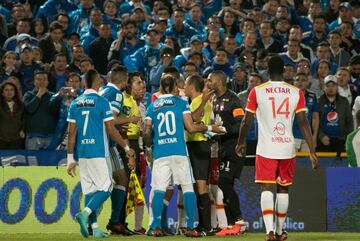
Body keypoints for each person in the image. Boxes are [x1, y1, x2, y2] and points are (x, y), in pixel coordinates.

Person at [236, 55, 319, 241]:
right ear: (284, 71)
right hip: (287, 147)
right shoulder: (296, 92)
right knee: (283, 189)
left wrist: (241, 141)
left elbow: (246, 120)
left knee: (266, 187)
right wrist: (312, 150)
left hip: (266, 147)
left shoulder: (257, 91)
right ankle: (281, 232)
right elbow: (304, 122)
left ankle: (269, 232)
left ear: (267, 71)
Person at [143, 75, 224, 237]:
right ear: (173, 88)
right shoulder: (181, 103)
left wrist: (149, 147)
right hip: (179, 151)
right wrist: (209, 128)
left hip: (161, 153)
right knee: (188, 188)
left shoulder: (152, 106)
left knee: (159, 189)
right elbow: (191, 127)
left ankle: (156, 225)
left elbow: (146, 132)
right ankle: (189, 226)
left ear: (160, 87)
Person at [66, 69, 135, 238]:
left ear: (83, 83)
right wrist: (127, 148)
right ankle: (85, 213)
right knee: (107, 187)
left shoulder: (75, 103)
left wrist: (69, 159)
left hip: (83, 153)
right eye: (100, 79)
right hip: (99, 151)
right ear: (97, 82)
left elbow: (71, 134)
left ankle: (95, 228)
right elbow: (111, 131)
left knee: (90, 190)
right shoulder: (102, 101)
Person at [208, 70, 247, 236]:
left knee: (224, 182)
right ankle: (232, 225)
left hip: (234, 147)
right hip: (222, 148)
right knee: (225, 185)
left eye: (210, 80)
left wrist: (223, 129)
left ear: (218, 81)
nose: (208, 83)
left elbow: (241, 124)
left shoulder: (233, 100)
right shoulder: (214, 100)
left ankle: (239, 221)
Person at [98, 65, 134, 235]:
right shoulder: (116, 94)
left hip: (94, 142)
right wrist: (131, 118)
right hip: (106, 143)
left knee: (101, 184)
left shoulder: (102, 90)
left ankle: (96, 223)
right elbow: (110, 120)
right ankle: (114, 221)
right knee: (120, 180)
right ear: (123, 81)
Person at [184, 74, 214, 235]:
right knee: (199, 186)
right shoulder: (200, 101)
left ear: (191, 86)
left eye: (186, 84)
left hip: (199, 144)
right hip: (198, 145)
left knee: (201, 186)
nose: (184, 88)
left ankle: (206, 226)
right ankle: (203, 225)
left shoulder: (198, 101)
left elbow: (195, 121)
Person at [317, 75, 353, 153]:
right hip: (323, 141)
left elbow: (349, 122)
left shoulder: (344, 102)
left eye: (333, 85)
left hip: (340, 141)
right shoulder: (318, 102)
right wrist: (321, 136)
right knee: (324, 165)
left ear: (337, 87)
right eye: (328, 85)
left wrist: (348, 140)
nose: (331, 88)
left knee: (340, 164)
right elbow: (314, 122)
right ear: (323, 87)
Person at [23, 70, 57, 150]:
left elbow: (56, 113)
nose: (42, 81)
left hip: (50, 136)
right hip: (33, 136)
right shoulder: (28, 95)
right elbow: (29, 109)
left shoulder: (53, 96)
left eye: (44, 79)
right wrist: (39, 95)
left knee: (50, 162)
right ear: (34, 81)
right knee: (32, 162)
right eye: (39, 79)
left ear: (47, 81)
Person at [0, 81, 25, 149]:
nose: (9, 92)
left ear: (15, 92)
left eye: (12, 89)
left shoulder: (21, 105)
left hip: (16, 139)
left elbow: (23, 119)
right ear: (2, 92)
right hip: (2, 139)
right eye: (6, 90)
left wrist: (22, 129)